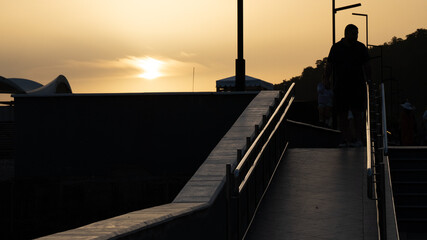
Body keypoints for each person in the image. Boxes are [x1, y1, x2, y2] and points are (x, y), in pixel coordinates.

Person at [323, 24, 372, 147]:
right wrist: (326, 79)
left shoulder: (361, 48)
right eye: (353, 34)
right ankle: (344, 139)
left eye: (357, 34)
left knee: (357, 113)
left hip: (357, 85)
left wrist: (369, 80)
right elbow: (329, 65)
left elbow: (367, 65)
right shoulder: (336, 48)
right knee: (342, 114)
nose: (356, 36)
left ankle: (359, 139)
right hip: (341, 86)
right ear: (346, 34)